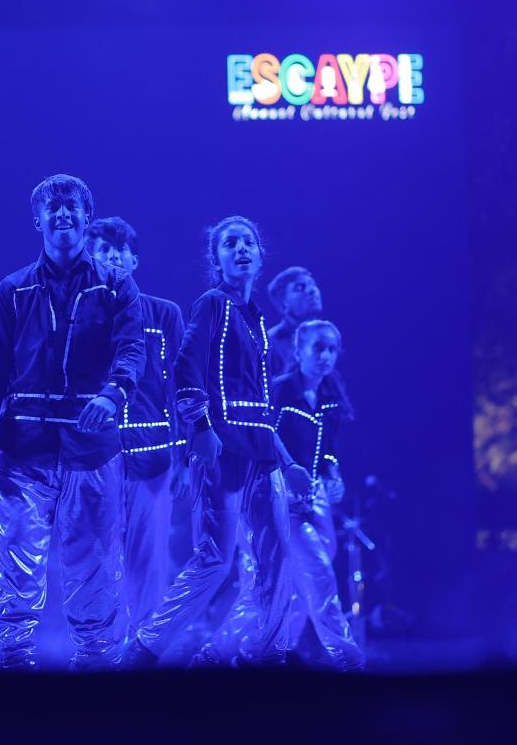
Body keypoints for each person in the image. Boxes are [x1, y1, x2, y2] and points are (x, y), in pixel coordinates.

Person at [0, 173, 145, 670]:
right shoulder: (13, 289)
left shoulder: (115, 285)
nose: (63, 213)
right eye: (53, 207)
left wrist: (113, 393)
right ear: (37, 220)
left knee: (95, 566)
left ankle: (96, 675)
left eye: (71, 206)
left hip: (92, 450)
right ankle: (15, 674)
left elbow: (133, 349)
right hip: (23, 450)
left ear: (87, 217)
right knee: (17, 567)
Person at [123, 216, 311, 668]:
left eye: (248, 242)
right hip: (223, 451)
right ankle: (143, 651)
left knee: (277, 558)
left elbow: (262, 404)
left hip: (262, 454)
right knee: (214, 561)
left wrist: (287, 462)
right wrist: (201, 428)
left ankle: (264, 654)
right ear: (217, 259)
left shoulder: (256, 319)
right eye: (230, 243)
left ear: (260, 256)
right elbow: (185, 368)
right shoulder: (213, 304)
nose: (241, 249)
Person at [87, 216, 185, 631]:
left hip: (153, 456)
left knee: (149, 558)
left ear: (135, 259)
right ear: (90, 258)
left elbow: (182, 386)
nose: (113, 258)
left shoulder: (164, 314)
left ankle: (142, 646)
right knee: (97, 557)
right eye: (103, 251)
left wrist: (184, 456)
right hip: (94, 458)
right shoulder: (79, 314)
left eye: (120, 251)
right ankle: (100, 645)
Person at [271, 319, 365, 670]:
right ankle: (347, 657)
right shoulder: (280, 390)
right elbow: (264, 435)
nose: (325, 356)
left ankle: (269, 650)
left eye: (332, 349)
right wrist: (288, 468)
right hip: (282, 494)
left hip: (316, 494)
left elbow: (329, 448)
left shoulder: (330, 397)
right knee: (319, 572)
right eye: (318, 348)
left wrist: (333, 473)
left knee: (305, 579)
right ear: (298, 351)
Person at [265, 266, 323, 377]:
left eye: (312, 284)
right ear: (283, 306)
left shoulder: (326, 336)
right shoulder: (269, 344)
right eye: (300, 288)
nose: (312, 290)